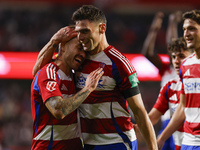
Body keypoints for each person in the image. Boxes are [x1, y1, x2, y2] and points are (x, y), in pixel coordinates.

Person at [32, 5, 158, 150]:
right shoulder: (78, 61)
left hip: (116, 142)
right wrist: (54, 41)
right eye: (79, 32)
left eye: (85, 31)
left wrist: (153, 148)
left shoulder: (119, 63)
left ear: (102, 28)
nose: (81, 37)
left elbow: (139, 111)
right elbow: (38, 72)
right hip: (88, 144)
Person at [31, 26, 104, 149]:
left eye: (84, 52)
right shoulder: (49, 73)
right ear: (63, 46)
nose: (82, 55)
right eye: (79, 48)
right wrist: (88, 89)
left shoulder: (74, 76)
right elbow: (58, 110)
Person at [157, 9, 200, 150]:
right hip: (188, 142)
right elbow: (182, 107)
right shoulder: (186, 65)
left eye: (192, 29)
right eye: (184, 29)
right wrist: (162, 138)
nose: (186, 34)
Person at [141, 11, 182, 150]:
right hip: (165, 120)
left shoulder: (189, 69)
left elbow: (173, 45)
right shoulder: (166, 69)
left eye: (179, 55)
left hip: (183, 122)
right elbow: (147, 53)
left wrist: (172, 23)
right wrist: (154, 30)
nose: (175, 58)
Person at [148, 37, 193, 150]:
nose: (176, 61)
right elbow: (152, 117)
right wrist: (134, 126)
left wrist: (162, 137)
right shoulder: (169, 87)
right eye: (174, 57)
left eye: (181, 56)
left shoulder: (196, 83)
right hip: (178, 143)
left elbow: (182, 112)